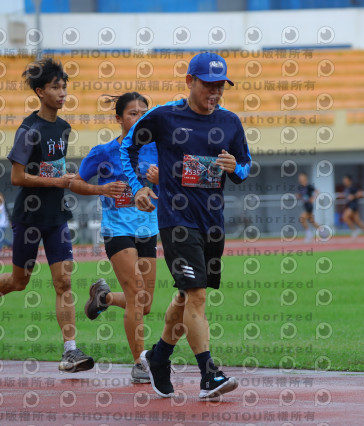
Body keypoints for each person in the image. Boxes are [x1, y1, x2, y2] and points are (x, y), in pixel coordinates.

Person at [120, 52, 251, 399]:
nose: (215, 92)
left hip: (212, 224)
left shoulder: (230, 122)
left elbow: (245, 165)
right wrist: (138, 187)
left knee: (185, 295)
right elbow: (127, 147)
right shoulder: (165, 116)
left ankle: (159, 357)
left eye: (220, 86)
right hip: (177, 222)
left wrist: (234, 167)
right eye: (209, 85)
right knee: (196, 295)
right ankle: (209, 376)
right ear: (190, 81)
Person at [0, 57, 94, 372]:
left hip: (57, 216)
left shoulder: (64, 128)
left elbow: (54, 169)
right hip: (29, 217)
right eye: (55, 87)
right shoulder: (28, 130)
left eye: (64, 87)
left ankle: (70, 351)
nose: (62, 93)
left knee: (63, 282)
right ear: (40, 91)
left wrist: (68, 181)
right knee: (20, 281)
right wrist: (57, 181)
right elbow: (17, 177)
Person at [70, 92, 159, 383]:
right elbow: (76, 183)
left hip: (148, 230)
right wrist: (102, 189)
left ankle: (104, 297)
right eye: (133, 113)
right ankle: (140, 363)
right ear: (119, 118)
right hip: (118, 230)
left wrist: (162, 179)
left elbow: (176, 183)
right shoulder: (104, 152)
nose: (139, 118)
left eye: (144, 113)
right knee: (136, 294)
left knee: (145, 303)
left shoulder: (157, 150)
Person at [340, 174, 364, 239]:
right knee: (358, 221)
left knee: (345, 217)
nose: (344, 181)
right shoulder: (346, 188)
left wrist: (353, 196)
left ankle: (354, 230)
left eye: (345, 180)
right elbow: (347, 196)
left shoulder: (353, 187)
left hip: (353, 205)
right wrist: (343, 196)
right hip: (349, 205)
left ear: (349, 180)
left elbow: (361, 194)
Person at [296, 172, 320, 242]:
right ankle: (322, 232)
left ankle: (309, 234)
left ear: (305, 178)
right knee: (312, 221)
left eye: (301, 177)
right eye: (299, 177)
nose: (300, 178)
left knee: (302, 218)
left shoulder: (309, 186)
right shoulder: (300, 187)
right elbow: (299, 195)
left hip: (309, 206)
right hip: (305, 205)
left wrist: (313, 198)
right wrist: (298, 196)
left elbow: (317, 192)